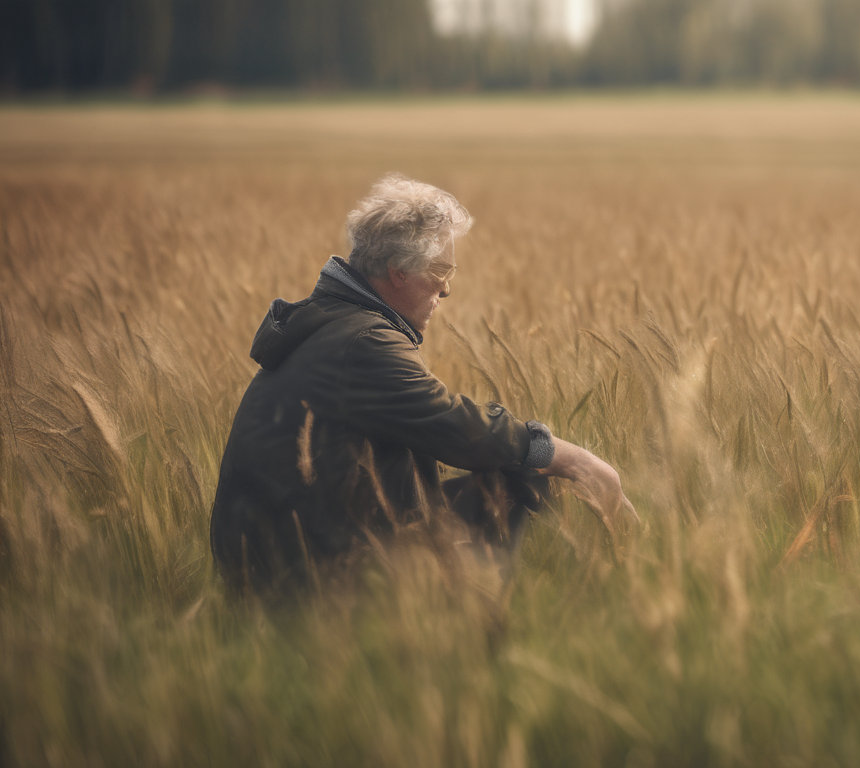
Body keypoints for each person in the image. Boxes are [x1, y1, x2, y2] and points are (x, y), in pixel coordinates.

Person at [209, 173, 635, 596]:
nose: (446, 289)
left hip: (278, 554)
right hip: (308, 576)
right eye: (439, 270)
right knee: (530, 476)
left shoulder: (332, 322)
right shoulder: (363, 342)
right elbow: (458, 428)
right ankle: (484, 629)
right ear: (397, 272)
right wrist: (580, 462)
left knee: (509, 473)